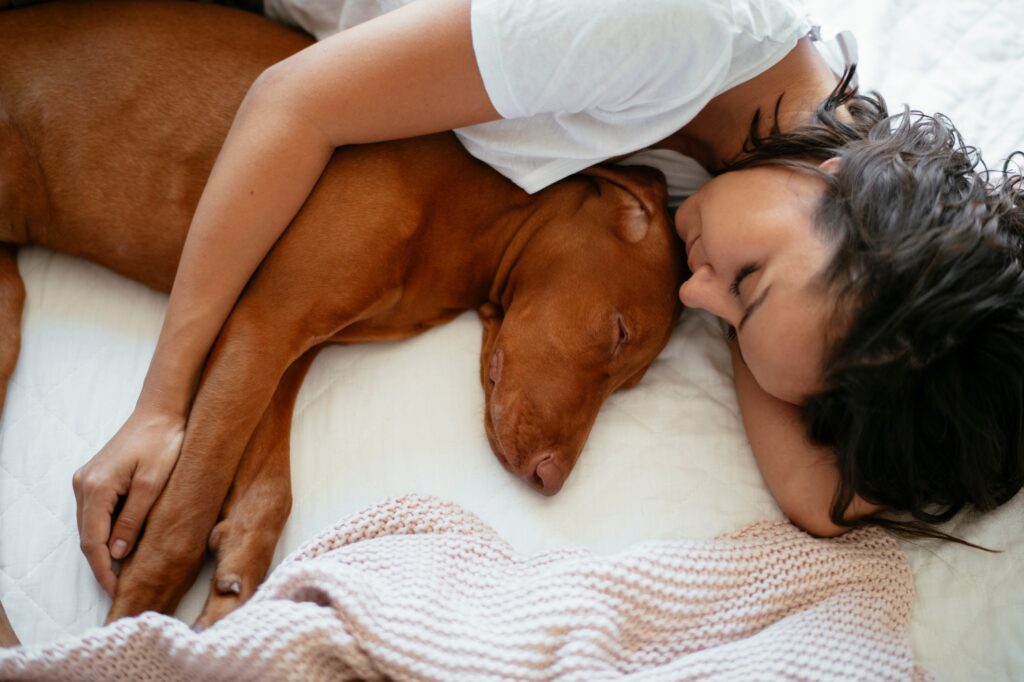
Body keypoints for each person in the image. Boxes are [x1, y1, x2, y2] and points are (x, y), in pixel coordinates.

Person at [71, 0, 1024, 596]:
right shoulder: (670, 29)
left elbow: (815, 498)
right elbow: (293, 100)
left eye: (727, 318)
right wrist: (161, 406)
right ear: (847, 181)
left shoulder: (788, 174)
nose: (698, 292)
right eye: (743, 285)